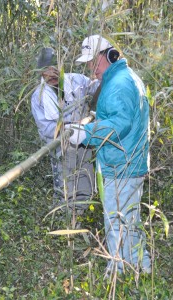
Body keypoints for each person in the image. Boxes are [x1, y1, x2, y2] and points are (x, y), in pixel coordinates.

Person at [66, 35, 152, 275]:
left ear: (110, 55)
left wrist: (86, 133)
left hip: (121, 165)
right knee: (129, 221)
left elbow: (118, 124)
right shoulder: (124, 78)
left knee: (116, 222)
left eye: (94, 62)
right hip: (128, 162)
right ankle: (141, 268)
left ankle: (117, 272)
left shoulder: (119, 84)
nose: (91, 69)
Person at [31, 47, 97, 216]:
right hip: (61, 149)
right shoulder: (38, 96)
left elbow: (95, 88)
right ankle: (64, 227)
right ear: (40, 72)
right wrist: (73, 126)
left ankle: (82, 222)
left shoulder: (76, 81)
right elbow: (47, 128)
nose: (51, 74)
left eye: (55, 69)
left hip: (84, 148)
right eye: (46, 70)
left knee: (86, 189)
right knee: (65, 193)